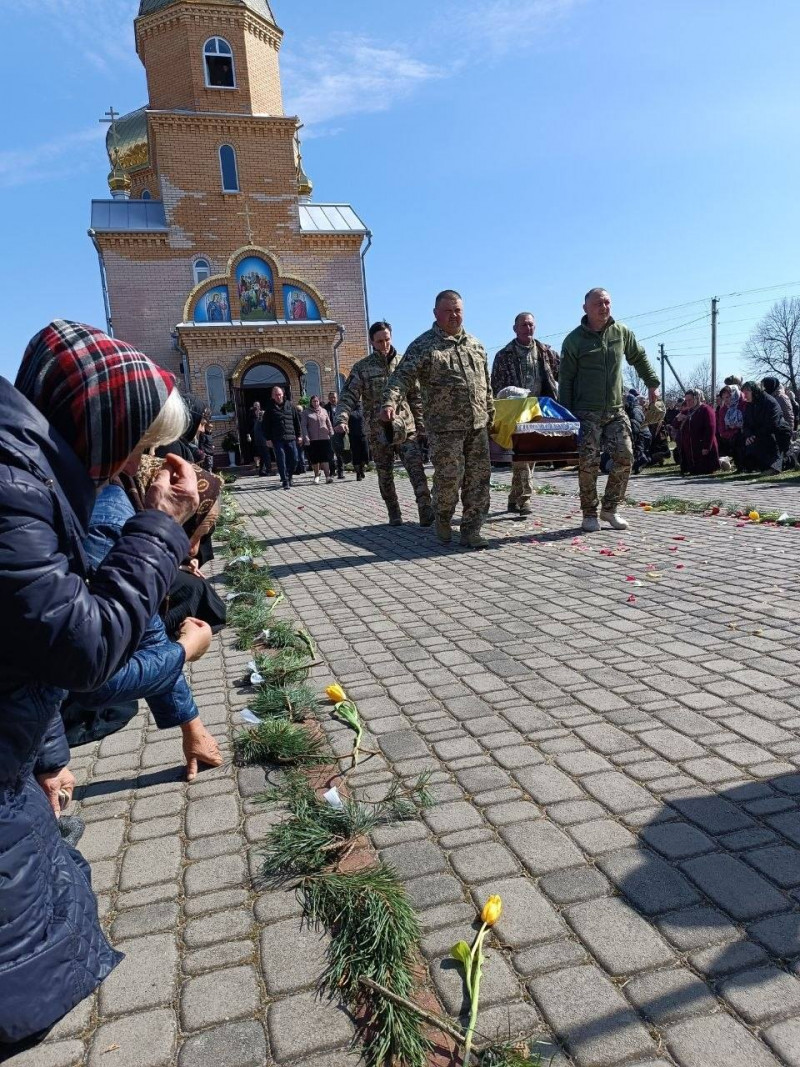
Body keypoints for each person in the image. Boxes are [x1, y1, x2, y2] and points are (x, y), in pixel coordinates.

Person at [0, 319, 199, 1047]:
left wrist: (47, 759)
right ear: (107, 428)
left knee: (52, 921)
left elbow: (21, 639)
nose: (138, 464)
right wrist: (160, 526)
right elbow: (79, 647)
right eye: (141, 446)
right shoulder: (19, 483)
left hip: (14, 757)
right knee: (27, 980)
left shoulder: (30, 467)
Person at [61, 475, 222, 782]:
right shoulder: (109, 523)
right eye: (190, 531)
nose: (192, 549)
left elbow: (146, 630)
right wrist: (185, 649)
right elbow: (93, 676)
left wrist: (193, 727)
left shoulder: (117, 494)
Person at [382, 291, 493, 548]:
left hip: (477, 427)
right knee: (449, 480)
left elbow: (486, 385)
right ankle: (443, 516)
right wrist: (389, 403)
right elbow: (400, 379)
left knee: (479, 481)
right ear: (436, 314)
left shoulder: (475, 345)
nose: (454, 316)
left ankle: (471, 530)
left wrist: (491, 416)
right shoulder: (423, 346)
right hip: (445, 430)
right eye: (448, 311)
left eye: (458, 310)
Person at [559, 288, 660, 532]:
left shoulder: (621, 332)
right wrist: (566, 417)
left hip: (615, 410)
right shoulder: (574, 340)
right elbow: (566, 380)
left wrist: (653, 385)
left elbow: (639, 356)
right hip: (586, 413)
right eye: (598, 303)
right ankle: (589, 514)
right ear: (585, 308)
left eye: (607, 302)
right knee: (588, 464)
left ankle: (610, 509)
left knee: (626, 456)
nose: (604, 307)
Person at [335, 321, 433, 525]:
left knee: (416, 470)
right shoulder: (362, 368)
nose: (384, 344)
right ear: (372, 342)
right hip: (378, 431)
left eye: (387, 339)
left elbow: (415, 397)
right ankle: (394, 512)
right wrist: (341, 419)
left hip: (406, 428)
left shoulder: (403, 364)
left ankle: (425, 510)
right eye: (379, 341)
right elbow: (348, 397)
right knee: (385, 474)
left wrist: (422, 426)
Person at [491, 311, 560, 515]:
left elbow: (563, 372)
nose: (528, 328)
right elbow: (496, 387)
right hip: (514, 413)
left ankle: (514, 498)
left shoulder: (545, 352)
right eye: (523, 325)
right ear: (515, 328)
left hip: (538, 410)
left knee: (529, 455)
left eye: (531, 325)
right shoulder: (504, 355)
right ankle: (525, 499)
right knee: (522, 454)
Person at [739, 380, 792, 472]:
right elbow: (746, 424)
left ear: (755, 391)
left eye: (747, 391)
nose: (745, 395)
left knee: (774, 463)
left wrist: (754, 436)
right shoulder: (749, 405)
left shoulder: (770, 402)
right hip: (758, 435)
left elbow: (772, 424)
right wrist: (748, 435)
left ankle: (788, 460)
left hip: (777, 434)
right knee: (750, 462)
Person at [264, 385, 302, 489]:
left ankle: (289, 476)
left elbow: (296, 421)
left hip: (291, 438)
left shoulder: (290, 405)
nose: (278, 396)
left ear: (283, 394)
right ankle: (285, 480)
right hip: (277, 439)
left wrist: (299, 435)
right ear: (272, 396)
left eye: (279, 394)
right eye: (276, 395)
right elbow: (265, 425)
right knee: (281, 460)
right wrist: (268, 439)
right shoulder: (270, 409)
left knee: (295, 459)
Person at [677, 389, 720, 475]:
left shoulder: (706, 410)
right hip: (691, 449)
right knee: (694, 471)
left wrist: (706, 447)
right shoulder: (687, 411)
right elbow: (675, 423)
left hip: (702, 446)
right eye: (686, 400)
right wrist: (679, 419)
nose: (688, 403)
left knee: (703, 470)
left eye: (690, 400)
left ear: (697, 398)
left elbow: (710, 429)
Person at [302, 395, 335, 483]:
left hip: (324, 437)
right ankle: (316, 476)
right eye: (314, 401)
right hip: (312, 439)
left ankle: (327, 477)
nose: (315, 403)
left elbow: (328, 422)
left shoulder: (324, 411)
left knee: (325, 458)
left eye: (317, 401)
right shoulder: (306, 412)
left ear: (319, 401)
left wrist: (331, 431)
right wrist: (306, 437)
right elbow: (304, 426)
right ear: (311, 402)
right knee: (315, 459)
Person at [324, 391, 345, 479]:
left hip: (340, 433)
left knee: (340, 453)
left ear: (337, 398)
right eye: (331, 397)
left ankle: (340, 472)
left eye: (334, 397)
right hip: (330, 433)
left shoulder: (341, 407)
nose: (333, 399)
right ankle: (332, 471)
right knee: (330, 453)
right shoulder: (325, 408)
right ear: (329, 398)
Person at [349, 402, 370, 480]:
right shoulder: (349, 412)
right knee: (356, 455)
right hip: (353, 436)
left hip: (363, 436)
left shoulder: (364, 411)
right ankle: (358, 473)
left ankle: (361, 469)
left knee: (365, 454)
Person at [248, 401, 269, 475]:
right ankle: (260, 467)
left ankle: (263, 469)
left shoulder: (262, 414)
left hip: (262, 437)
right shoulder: (251, 415)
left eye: (257, 405)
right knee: (259, 452)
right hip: (255, 436)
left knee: (264, 454)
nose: (256, 407)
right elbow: (249, 425)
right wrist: (248, 435)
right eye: (255, 405)